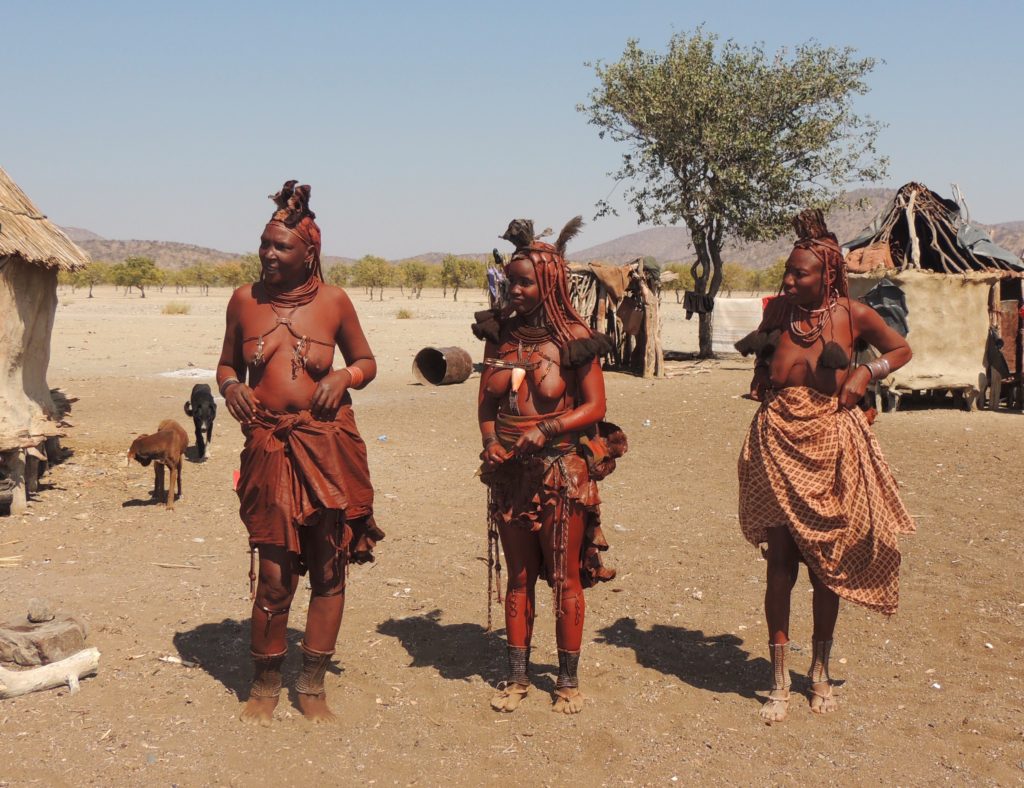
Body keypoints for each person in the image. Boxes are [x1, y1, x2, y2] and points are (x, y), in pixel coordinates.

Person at [737, 209, 915, 724]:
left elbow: (901, 349)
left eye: (801, 274)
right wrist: (763, 384)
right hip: (776, 446)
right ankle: (777, 681)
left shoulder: (853, 315)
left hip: (832, 444)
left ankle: (817, 670)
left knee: (825, 569)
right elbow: (762, 367)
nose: (790, 281)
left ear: (828, 275)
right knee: (780, 566)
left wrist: (865, 371)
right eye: (788, 272)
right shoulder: (778, 314)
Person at [216, 180, 383, 725]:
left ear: (308, 252)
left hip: (327, 445)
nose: (267, 254)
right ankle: (264, 683)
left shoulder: (334, 302)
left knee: (330, 566)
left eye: (280, 247)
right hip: (269, 445)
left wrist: (345, 374)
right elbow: (225, 366)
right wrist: (231, 388)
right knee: (273, 573)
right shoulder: (244, 301)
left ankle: (312, 686)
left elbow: (368, 360)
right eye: (264, 244)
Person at [475, 217, 623, 715]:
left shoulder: (576, 339)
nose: (514, 290)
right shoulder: (499, 337)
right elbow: (484, 407)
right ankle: (516, 677)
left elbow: (595, 408)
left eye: (524, 282)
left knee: (565, 578)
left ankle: (566, 681)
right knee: (518, 576)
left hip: (561, 473)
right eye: (511, 281)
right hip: (510, 477)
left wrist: (550, 428)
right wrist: (491, 440)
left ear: (550, 285)